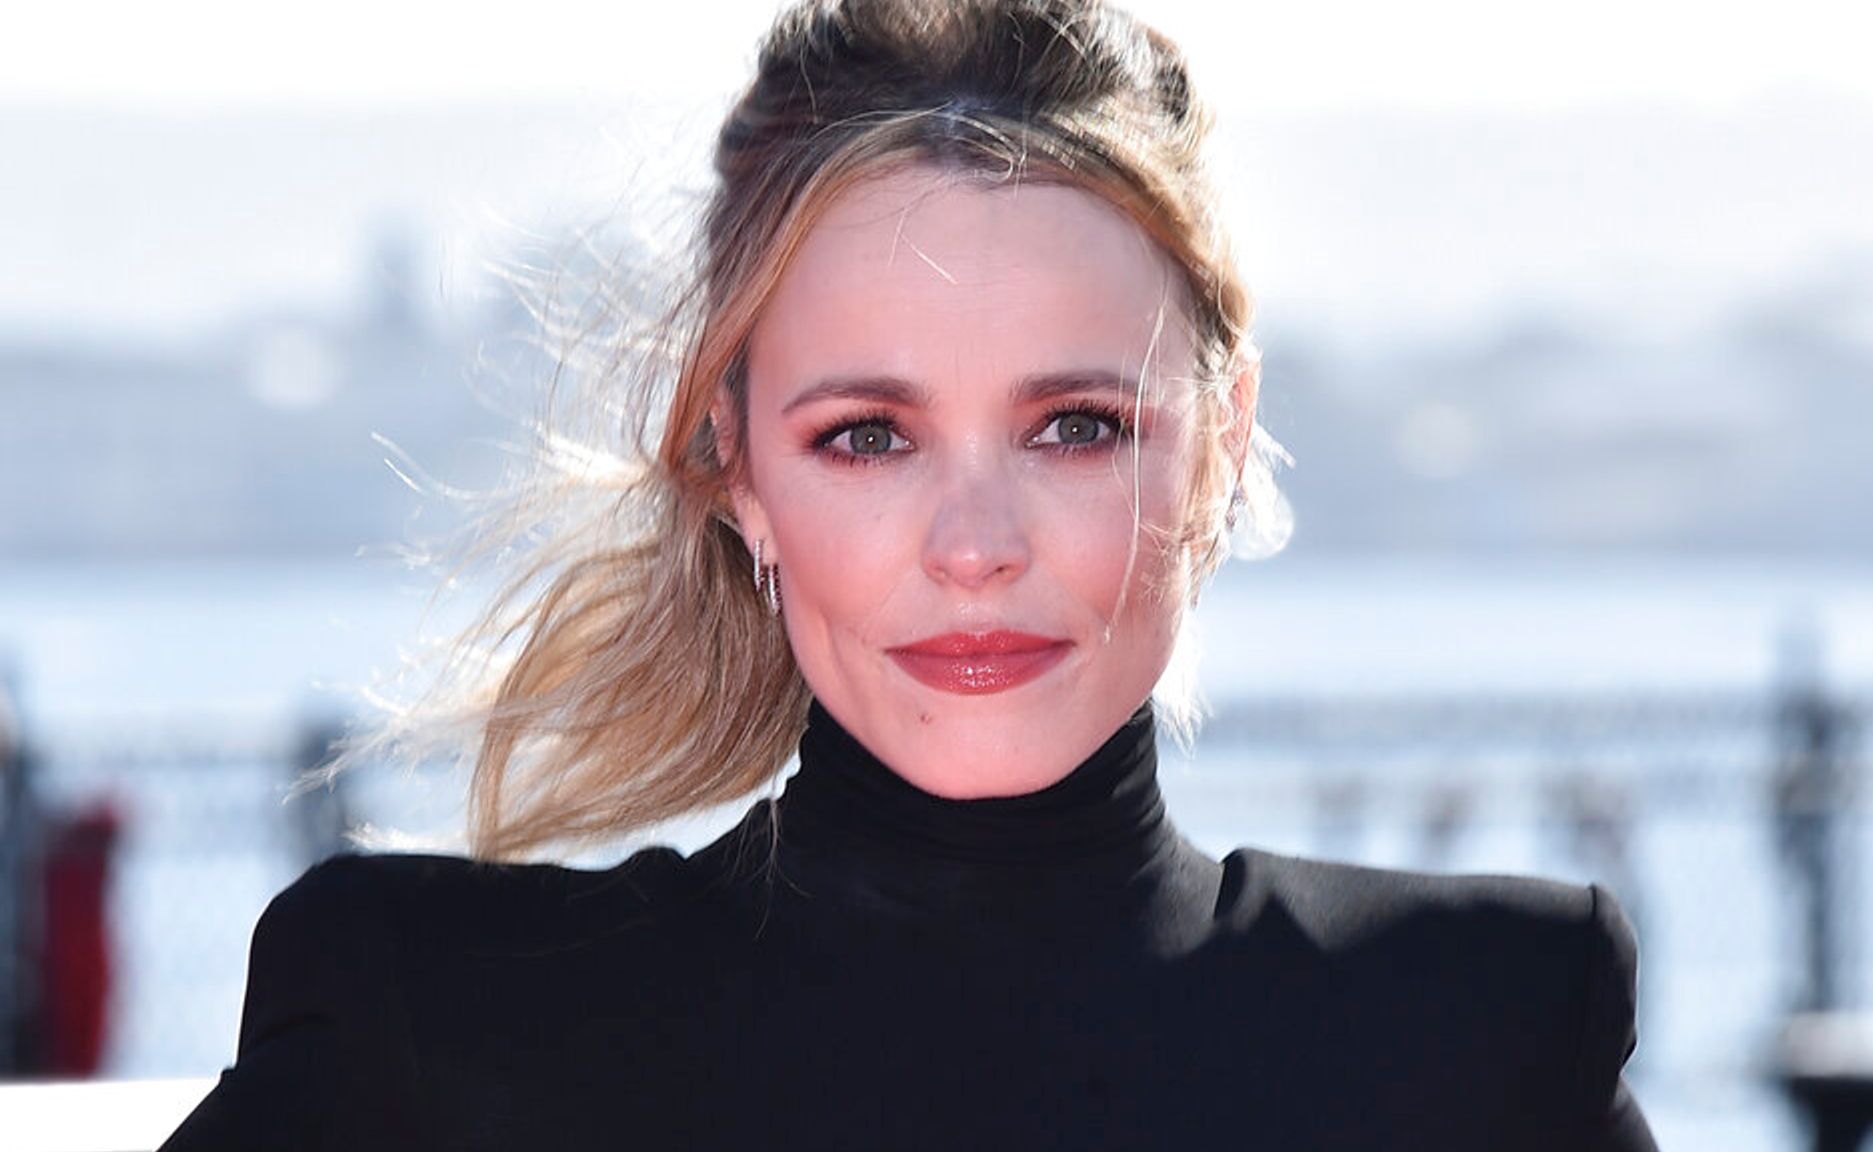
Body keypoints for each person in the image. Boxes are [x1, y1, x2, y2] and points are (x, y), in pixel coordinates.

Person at [163, 0, 1657, 1148]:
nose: (974, 544)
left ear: (1215, 448)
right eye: (868, 437)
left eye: (1075, 426)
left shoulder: (1485, 1036)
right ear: (736, 468)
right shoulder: (423, 1032)